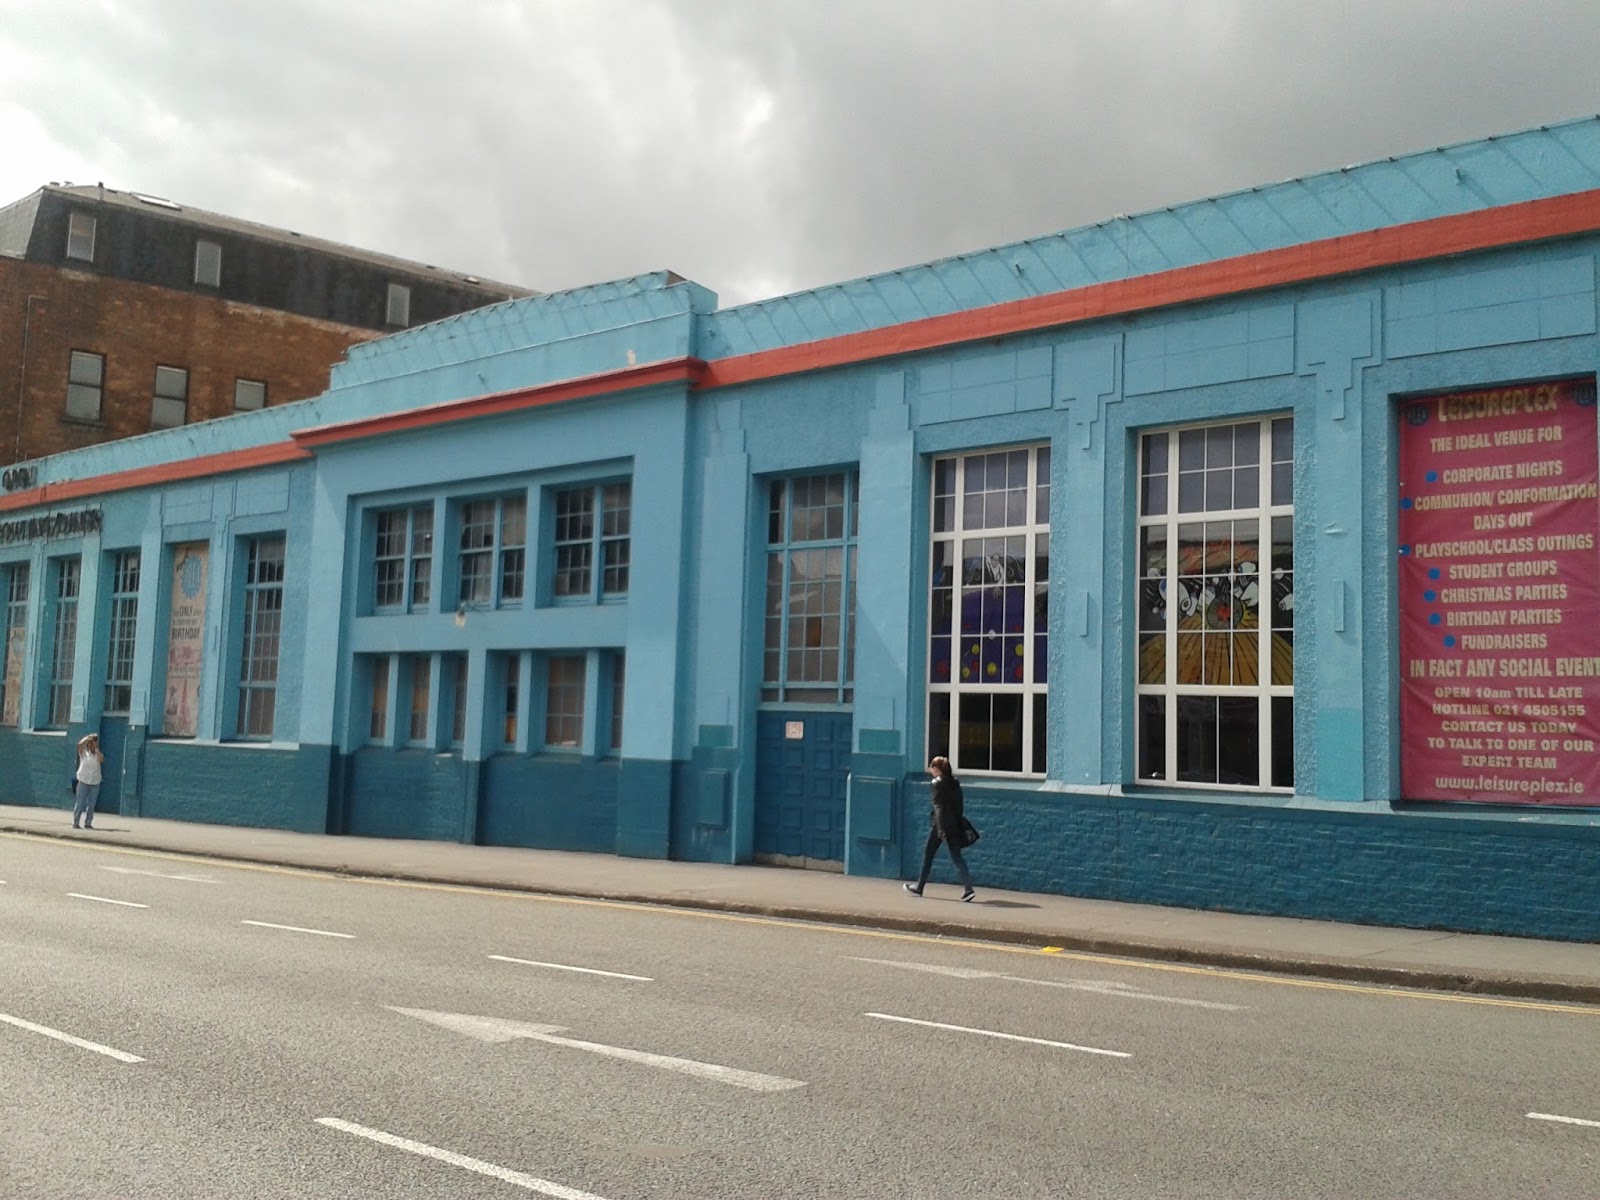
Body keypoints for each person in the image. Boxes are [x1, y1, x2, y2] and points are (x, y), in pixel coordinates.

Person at [903, 756, 975, 902]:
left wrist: (941, 829)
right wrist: (956, 822)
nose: (931, 770)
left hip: (940, 825)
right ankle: (969, 889)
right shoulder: (955, 783)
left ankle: (919, 886)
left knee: (928, 854)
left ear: (937, 769)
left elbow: (939, 807)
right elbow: (959, 806)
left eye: (932, 767)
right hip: (954, 823)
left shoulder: (936, 783)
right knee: (957, 857)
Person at [72, 733, 103, 830]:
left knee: (91, 804)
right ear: (88, 745)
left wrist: (97, 749)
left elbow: (101, 760)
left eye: (94, 744)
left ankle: (88, 823)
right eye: (91, 744)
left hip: (95, 781)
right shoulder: (84, 753)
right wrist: (88, 737)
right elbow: (79, 745)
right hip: (83, 780)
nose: (93, 746)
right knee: (80, 802)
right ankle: (76, 823)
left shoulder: (98, 754)